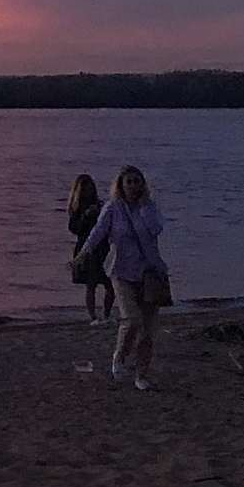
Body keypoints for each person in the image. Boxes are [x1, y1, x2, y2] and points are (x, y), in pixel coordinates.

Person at [76, 164, 169, 390]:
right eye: (129, 182)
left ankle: (141, 374)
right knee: (132, 319)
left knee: (148, 329)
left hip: (149, 273)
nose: (134, 185)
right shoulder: (112, 208)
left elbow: (157, 229)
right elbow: (98, 232)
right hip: (121, 272)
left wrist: (143, 207)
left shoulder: (150, 207)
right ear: (121, 185)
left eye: (137, 181)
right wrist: (83, 254)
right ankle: (119, 358)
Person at [67, 173, 116, 325]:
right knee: (91, 284)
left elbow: (107, 225)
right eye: (85, 188)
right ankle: (93, 316)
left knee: (110, 283)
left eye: (90, 187)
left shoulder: (101, 205)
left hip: (102, 247)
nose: (88, 191)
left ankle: (106, 314)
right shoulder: (76, 208)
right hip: (86, 247)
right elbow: (74, 229)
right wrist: (85, 216)